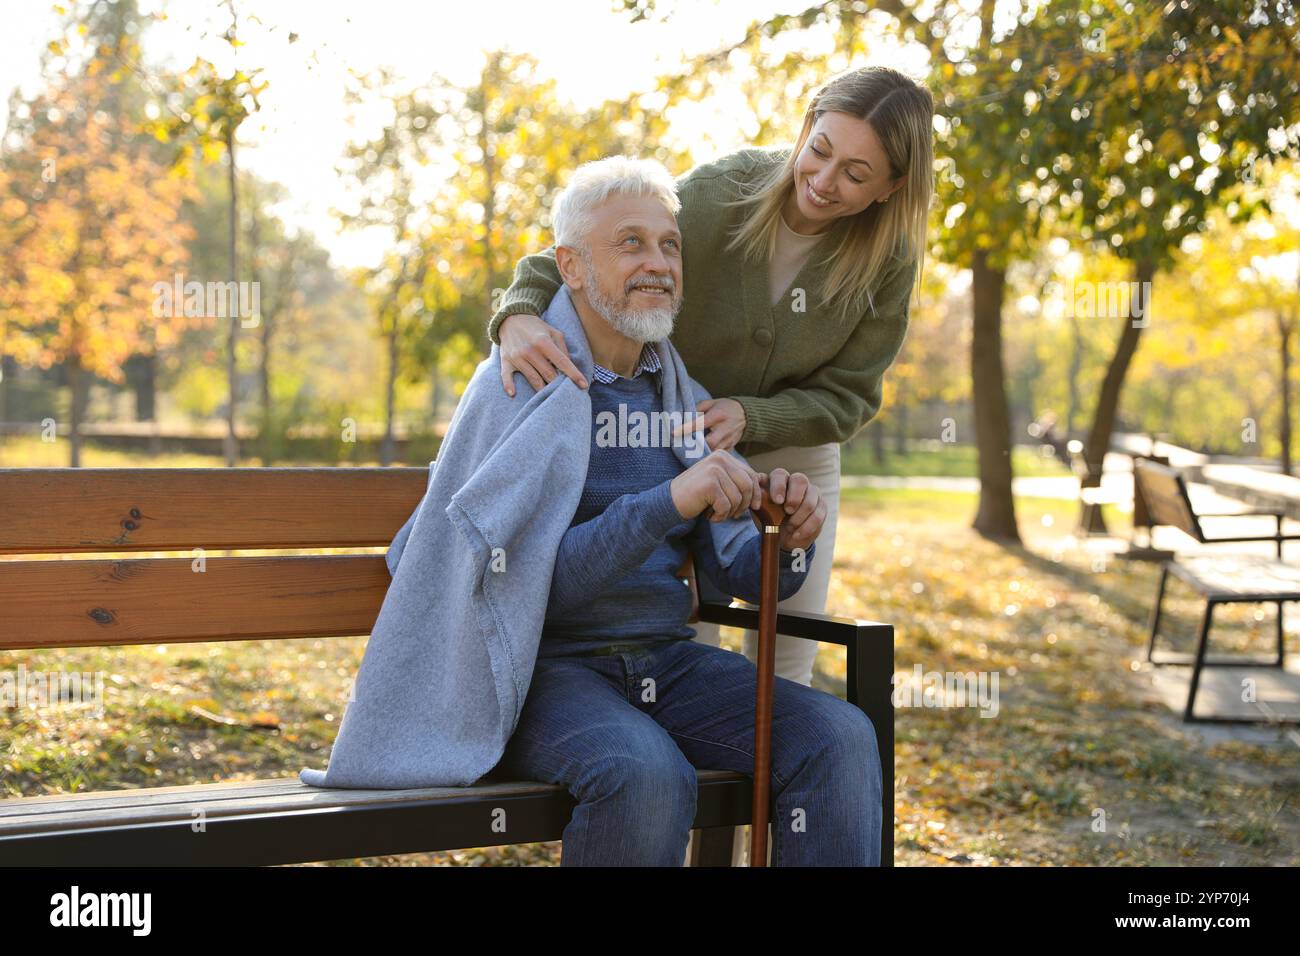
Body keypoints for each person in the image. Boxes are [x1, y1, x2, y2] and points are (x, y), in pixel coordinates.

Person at [489, 155, 883, 866]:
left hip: (667, 665)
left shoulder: (680, 395)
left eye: (669, 245)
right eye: (631, 243)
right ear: (570, 267)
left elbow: (736, 571)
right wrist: (665, 501)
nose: (659, 262)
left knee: (840, 737)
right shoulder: (522, 386)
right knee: (646, 775)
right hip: (543, 674)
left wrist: (785, 540)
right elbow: (519, 588)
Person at [487, 65, 935, 690]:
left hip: (794, 452)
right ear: (805, 128)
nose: (824, 182)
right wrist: (515, 315)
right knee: (685, 636)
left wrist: (755, 416)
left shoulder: (890, 259)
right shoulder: (723, 190)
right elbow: (576, 250)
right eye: (820, 151)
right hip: (679, 432)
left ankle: (780, 775)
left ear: (893, 186)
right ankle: (690, 773)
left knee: (789, 645)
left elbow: (851, 396)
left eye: (856, 174)